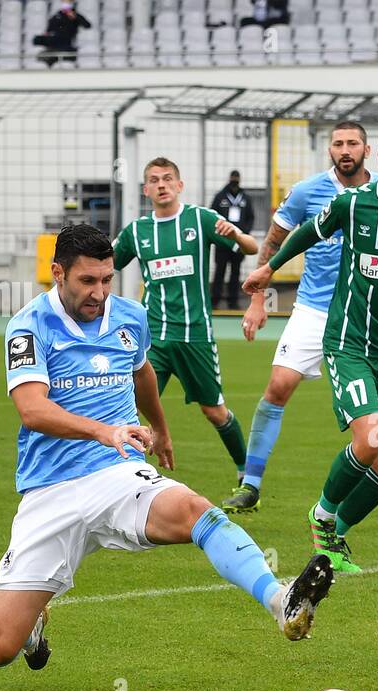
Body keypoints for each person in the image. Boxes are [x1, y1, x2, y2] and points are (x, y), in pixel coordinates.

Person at [0, 224, 333, 671]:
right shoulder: (28, 326)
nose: (99, 293)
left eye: (107, 280)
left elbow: (142, 372)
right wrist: (104, 430)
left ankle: (279, 600)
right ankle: (32, 622)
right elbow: (32, 409)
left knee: (196, 510)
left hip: (117, 473)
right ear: (58, 273)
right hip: (50, 488)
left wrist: (160, 428)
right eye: (87, 281)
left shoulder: (130, 317)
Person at [243, 120, 378, 573]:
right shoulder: (353, 204)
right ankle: (321, 514)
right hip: (349, 342)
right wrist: (269, 268)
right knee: (373, 436)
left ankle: (337, 533)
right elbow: (306, 233)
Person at [113, 157, 258, 487]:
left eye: (167, 179)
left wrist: (235, 231)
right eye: (154, 180)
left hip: (196, 337)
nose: (161, 185)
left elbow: (250, 247)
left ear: (179, 185)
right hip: (152, 341)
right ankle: (126, 482)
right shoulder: (137, 232)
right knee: (128, 411)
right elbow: (107, 266)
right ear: (146, 189)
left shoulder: (200, 219)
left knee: (215, 412)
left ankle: (247, 477)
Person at [209, 170, 255, 310]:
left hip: (239, 242)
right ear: (229, 179)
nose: (234, 180)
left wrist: (244, 234)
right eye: (233, 178)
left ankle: (233, 301)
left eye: (236, 178)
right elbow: (213, 215)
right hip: (223, 242)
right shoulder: (220, 196)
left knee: (236, 271)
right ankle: (214, 301)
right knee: (220, 271)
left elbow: (250, 217)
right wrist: (217, 235)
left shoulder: (245, 198)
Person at [35, 1, 90, 65]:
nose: (66, 4)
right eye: (64, 2)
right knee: (43, 57)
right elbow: (49, 30)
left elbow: (87, 25)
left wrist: (75, 17)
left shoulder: (75, 15)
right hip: (55, 45)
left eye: (68, 2)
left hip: (67, 46)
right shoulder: (56, 16)